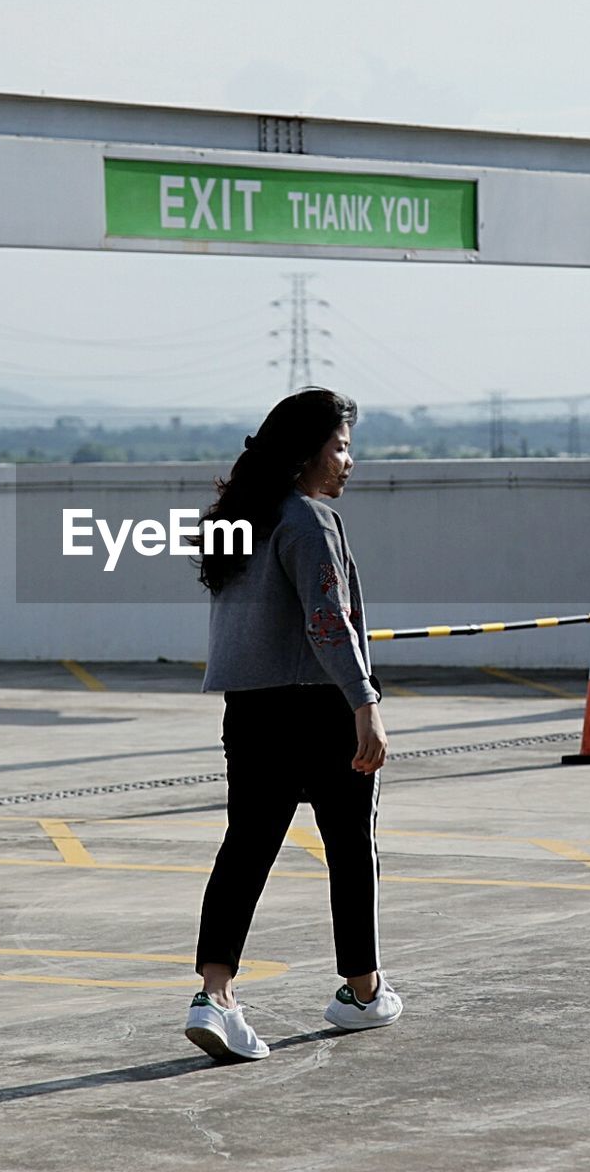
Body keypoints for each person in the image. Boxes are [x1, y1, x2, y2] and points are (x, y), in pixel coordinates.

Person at [184, 387, 402, 1063]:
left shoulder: (240, 519)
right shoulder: (310, 521)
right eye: (340, 447)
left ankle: (214, 996)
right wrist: (364, 703)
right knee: (349, 848)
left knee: (245, 849)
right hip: (318, 707)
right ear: (308, 452)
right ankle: (362, 992)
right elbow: (327, 620)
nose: (349, 461)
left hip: (248, 710)